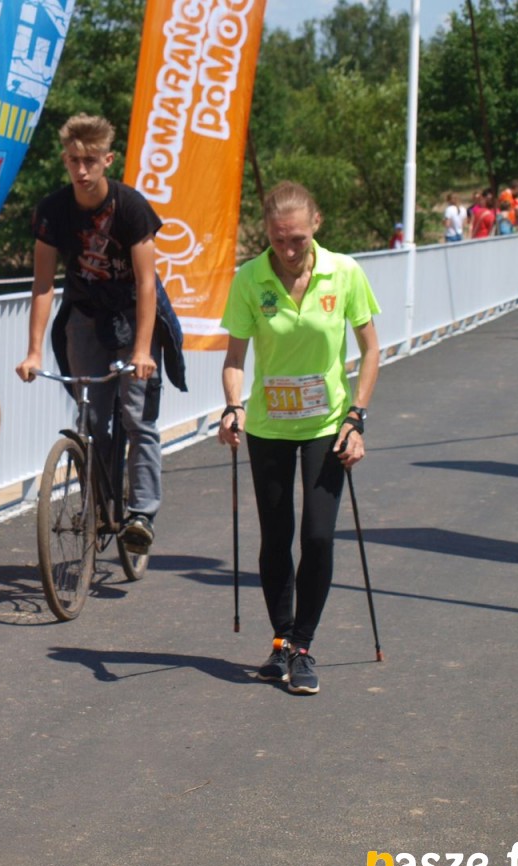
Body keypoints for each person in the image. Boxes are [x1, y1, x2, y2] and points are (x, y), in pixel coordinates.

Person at [217, 181, 380, 695]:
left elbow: (371, 351)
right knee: (276, 538)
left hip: (327, 425)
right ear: (267, 232)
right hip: (269, 426)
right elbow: (234, 358)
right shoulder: (250, 279)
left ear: (316, 226)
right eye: (279, 240)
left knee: (318, 536)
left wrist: (357, 417)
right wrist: (233, 407)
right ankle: (282, 639)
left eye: (298, 240)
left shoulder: (344, 272)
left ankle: (303, 646)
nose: (288, 251)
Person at [14, 113, 186, 554]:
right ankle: (100, 505)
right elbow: (42, 285)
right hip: (85, 317)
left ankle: (141, 514)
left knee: (137, 418)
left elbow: (147, 284)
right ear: (65, 161)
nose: (82, 169)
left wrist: (144, 350)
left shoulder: (130, 207)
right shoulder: (53, 210)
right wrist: (34, 352)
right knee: (91, 422)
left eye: (90, 160)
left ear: (108, 160)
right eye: (74, 160)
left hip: (133, 316)